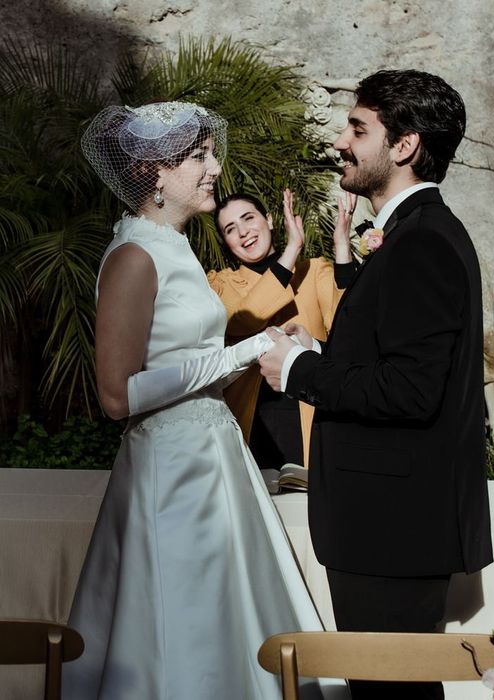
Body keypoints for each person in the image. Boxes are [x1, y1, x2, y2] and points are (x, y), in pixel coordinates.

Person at [64, 101, 329, 699]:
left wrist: (269, 344)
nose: (215, 167)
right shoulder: (134, 256)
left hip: (213, 460)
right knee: (181, 619)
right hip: (172, 475)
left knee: (232, 611)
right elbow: (115, 395)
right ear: (156, 173)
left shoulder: (176, 246)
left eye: (210, 152)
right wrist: (243, 351)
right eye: (197, 157)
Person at [259, 69, 494, 700]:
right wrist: (323, 354)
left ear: (405, 145)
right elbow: (394, 362)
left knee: (390, 695)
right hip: (389, 525)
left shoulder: (422, 244)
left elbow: (411, 392)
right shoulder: (414, 237)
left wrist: (299, 373)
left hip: (390, 528)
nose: (341, 142)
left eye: (358, 129)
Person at [207, 188, 356, 470]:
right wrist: (291, 249)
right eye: (230, 229)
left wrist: (341, 246)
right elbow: (245, 320)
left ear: (271, 220)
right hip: (252, 423)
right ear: (226, 242)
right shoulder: (220, 284)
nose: (243, 232)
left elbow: (347, 325)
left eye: (248, 218)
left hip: (311, 416)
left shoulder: (314, 271)